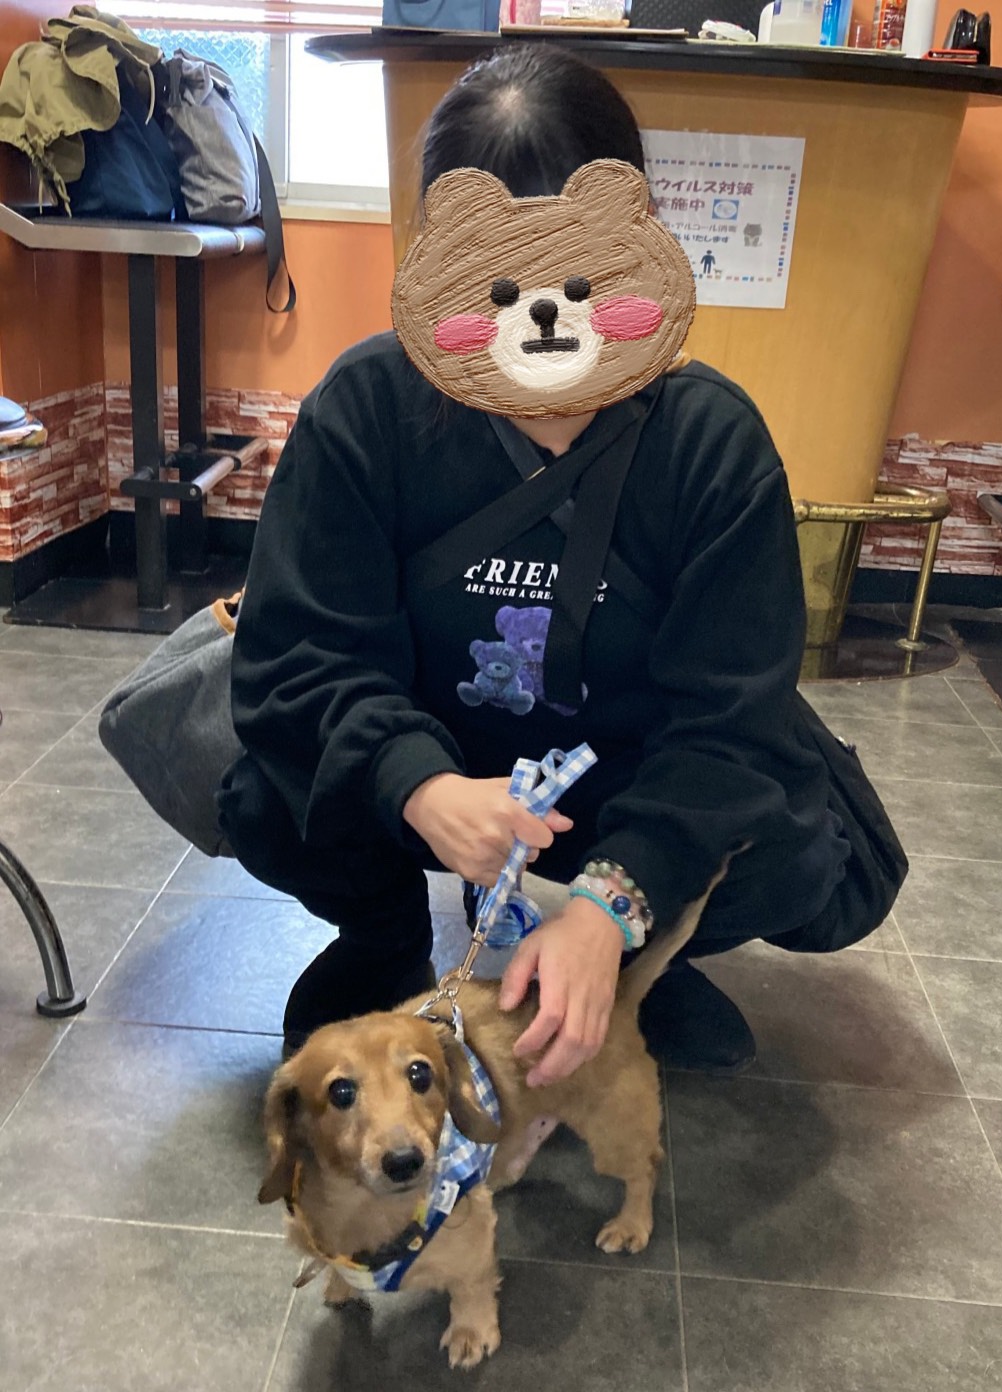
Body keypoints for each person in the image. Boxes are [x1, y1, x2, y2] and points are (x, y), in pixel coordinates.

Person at [217, 43, 904, 1083]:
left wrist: (612, 903)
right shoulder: (366, 406)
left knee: (794, 854)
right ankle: (381, 937)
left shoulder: (710, 441)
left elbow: (729, 723)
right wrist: (417, 782)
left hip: (620, 768)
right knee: (267, 794)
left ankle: (641, 963)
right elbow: (301, 655)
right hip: (434, 739)